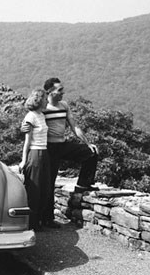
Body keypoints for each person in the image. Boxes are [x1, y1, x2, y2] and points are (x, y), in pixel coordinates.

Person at [22, 78, 99, 227]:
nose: (63, 93)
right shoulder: (44, 108)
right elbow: (31, 118)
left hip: (62, 144)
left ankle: (83, 185)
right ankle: (47, 219)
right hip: (48, 148)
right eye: (60, 90)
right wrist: (23, 128)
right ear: (50, 92)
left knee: (91, 154)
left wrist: (88, 144)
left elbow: (74, 126)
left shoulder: (64, 106)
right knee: (49, 184)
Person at [19, 88, 51, 230]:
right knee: (34, 190)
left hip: (44, 153)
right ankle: (31, 223)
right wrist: (24, 160)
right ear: (38, 99)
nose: (46, 101)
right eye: (45, 98)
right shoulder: (31, 116)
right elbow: (27, 140)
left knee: (44, 188)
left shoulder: (41, 115)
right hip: (35, 153)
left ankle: (37, 221)